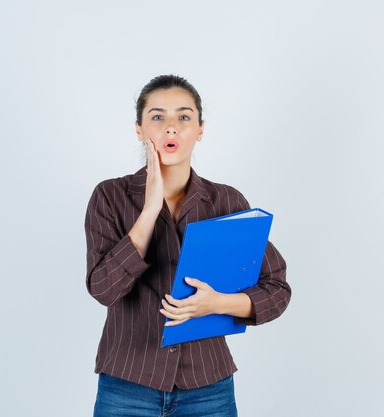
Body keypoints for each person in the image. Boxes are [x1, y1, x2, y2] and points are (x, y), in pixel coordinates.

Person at [84, 74, 292, 416]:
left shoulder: (226, 201)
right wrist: (150, 210)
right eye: (157, 117)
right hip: (127, 385)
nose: (171, 128)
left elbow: (277, 289)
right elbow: (104, 289)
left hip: (209, 389)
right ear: (139, 129)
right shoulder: (110, 196)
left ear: (200, 129)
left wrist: (218, 304)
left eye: (183, 117)